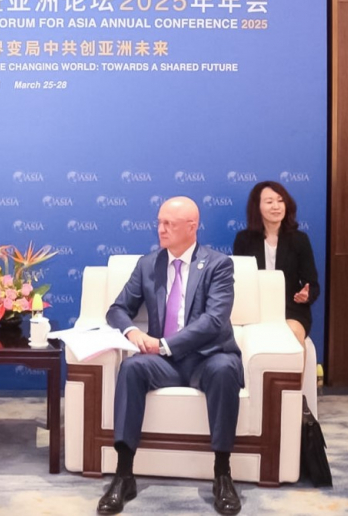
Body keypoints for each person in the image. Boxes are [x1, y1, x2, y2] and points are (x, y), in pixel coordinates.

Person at [98, 197, 244, 516]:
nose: (161, 229)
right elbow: (117, 309)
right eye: (159, 222)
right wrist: (132, 333)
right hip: (165, 364)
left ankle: (222, 474)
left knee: (224, 370)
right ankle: (124, 475)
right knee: (132, 368)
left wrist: (164, 344)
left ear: (192, 227)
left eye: (169, 224)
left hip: (209, 357)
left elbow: (214, 321)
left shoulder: (218, 264)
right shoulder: (148, 264)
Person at [233, 181, 319, 353]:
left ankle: (296, 373)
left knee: (293, 334)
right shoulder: (244, 239)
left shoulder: (299, 239)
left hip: (291, 309)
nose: (276, 206)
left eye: (280, 201)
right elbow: (239, 281)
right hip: (254, 309)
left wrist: (306, 295)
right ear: (257, 206)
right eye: (269, 201)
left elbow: (313, 285)